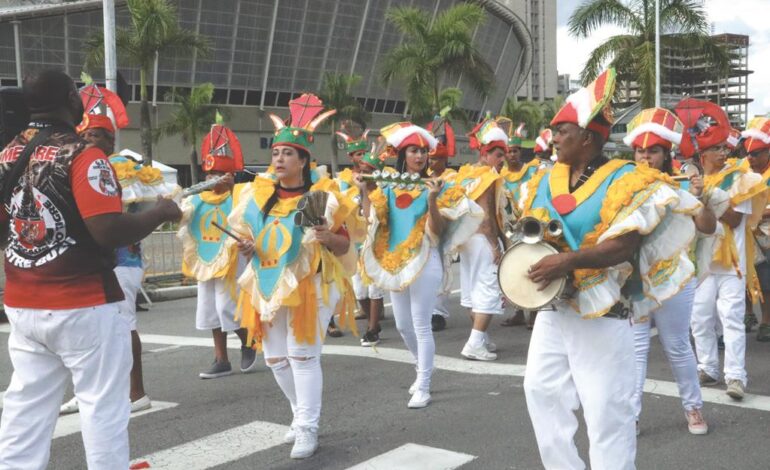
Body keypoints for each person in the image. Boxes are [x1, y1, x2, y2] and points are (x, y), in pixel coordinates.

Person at [0, 69, 181, 470]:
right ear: (70, 98)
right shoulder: (83, 155)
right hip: (83, 304)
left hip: (24, 303)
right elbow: (108, 231)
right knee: (102, 404)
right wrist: (159, 213)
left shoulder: (7, 154)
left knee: (26, 404)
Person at [521, 69, 695, 469]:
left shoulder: (627, 178)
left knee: (606, 412)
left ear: (587, 137)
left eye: (561, 130)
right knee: (540, 392)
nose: (554, 138)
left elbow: (625, 244)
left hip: (603, 313)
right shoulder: (545, 179)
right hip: (555, 309)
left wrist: (569, 260)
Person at [230, 94, 357, 460]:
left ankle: (307, 427)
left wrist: (327, 236)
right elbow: (258, 240)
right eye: (275, 153)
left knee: (301, 354)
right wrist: (249, 249)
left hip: (312, 283)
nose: (279, 159)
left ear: (304, 160)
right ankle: (298, 415)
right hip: (268, 281)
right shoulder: (257, 197)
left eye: (288, 153)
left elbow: (343, 244)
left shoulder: (323, 196)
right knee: (275, 359)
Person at [358, 122, 482, 409]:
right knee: (403, 326)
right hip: (395, 263)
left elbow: (437, 231)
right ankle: (422, 367)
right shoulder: (388, 187)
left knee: (421, 325)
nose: (420, 157)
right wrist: (365, 190)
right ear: (403, 154)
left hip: (426, 261)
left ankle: (424, 383)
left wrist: (432, 200)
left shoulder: (437, 186)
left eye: (424, 152)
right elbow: (370, 218)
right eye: (414, 151)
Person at [623, 107, 720, 435]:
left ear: (666, 154)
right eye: (640, 150)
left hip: (676, 279)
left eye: (653, 150)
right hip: (636, 280)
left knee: (677, 345)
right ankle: (631, 415)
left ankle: (693, 408)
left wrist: (699, 196)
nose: (646, 156)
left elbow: (707, 227)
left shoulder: (682, 186)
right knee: (635, 350)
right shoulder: (623, 186)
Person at [677, 98, 765, 401]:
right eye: (716, 149)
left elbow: (733, 219)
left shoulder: (741, 178)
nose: (724, 152)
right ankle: (708, 367)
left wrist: (710, 195)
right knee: (699, 318)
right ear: (702, 153)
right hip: (702, 263)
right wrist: (695, 195)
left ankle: (736, 377)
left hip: (732, 263)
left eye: (724, 148)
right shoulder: (690, 180)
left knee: (731, 318)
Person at [177, 120, 258, 379]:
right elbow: (182, 220)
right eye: (209, 176)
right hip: (206, 258)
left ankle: (249, 341)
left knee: (227, 307)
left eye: (219, 175)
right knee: (209, 310)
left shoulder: (240, 196)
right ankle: (221, 359)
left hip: (232, 261)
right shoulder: (195, 199)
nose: (213, 180)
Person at [455, 118, 508, 361]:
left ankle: (482, 337)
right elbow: (487, 216)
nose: (501, 160)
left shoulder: (466, 174)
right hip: (482, 239)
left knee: (472, 289)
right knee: (488, 288)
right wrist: (495, 243)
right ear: (485, 154)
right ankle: (475, 342)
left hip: (466, 240)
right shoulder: (487, 176)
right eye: (498, 154)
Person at [335, 127, 386, 345]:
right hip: (354, 239)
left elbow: (374, 214)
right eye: (357, 155)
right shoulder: (344, 180)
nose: (361, 159)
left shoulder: (382, 185)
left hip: (375, 239)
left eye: (364, 154)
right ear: (350, 157)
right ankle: (373, 317)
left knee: (374, 285)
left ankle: (373, 327)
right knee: (359, 289)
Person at [500, 122, 540, 328]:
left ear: (520, 152)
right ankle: (518, 311)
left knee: (531, 267)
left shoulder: (532, 171)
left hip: (529, 226)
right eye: (508, 151)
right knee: (513, 269)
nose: (512, 155)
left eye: (515, 151)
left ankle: (533, 313)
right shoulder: (500, 177)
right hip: (510, 230)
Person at [426, 114, 458, 332]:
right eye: (431, 159)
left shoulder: (453, 177)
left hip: (446, 225)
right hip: (427, 227)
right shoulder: (425, 176)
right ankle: (427, 309)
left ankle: (438, 312)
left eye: (436, 159)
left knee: (443, 269)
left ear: (445, 160)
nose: (432, 162)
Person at [743, 117, 770, 341]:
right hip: (744, 232)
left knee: (766, 280)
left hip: (766, 233)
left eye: (756, 153)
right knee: (742, 276)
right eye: (749, 154)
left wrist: (759, 212)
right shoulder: (742, 171)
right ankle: (748, 314)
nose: (751, 158)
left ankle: (766, 322)